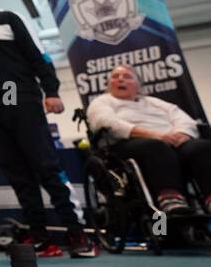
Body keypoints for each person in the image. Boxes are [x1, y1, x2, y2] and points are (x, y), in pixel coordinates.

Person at [0, 0, 94, 257]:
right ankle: (42, 238)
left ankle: (78, 235)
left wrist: (51, 91)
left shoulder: (8, 19)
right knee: (18, 176)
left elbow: (37, 56)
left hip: (22, 102)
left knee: (46, 167)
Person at [86, 65, 211, 214]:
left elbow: (184, 120)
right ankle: (170, 200)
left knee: (201, 147)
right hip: (129, 145)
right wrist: (154, 135)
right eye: (115, 77)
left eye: (127, 76)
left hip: (170, 142)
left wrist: (181, 134)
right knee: (156, 147)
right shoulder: (102, 102)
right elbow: (106, 123)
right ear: (109, 84)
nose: (120, 79)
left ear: (138, 85)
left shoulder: (154, 102)